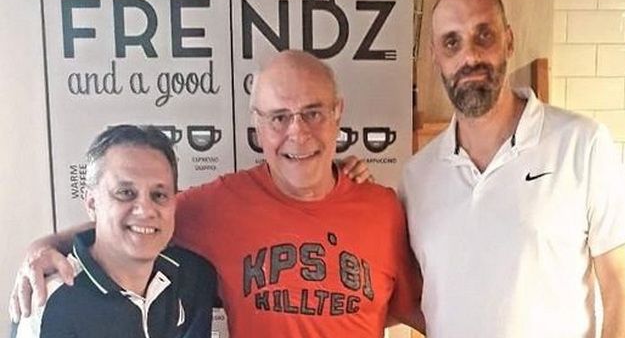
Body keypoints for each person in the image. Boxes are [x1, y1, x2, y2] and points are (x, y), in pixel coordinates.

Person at [10, 50, 424, 337]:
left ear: (337, 113)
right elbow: (140, 221)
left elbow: (409, 309)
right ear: (258, 125)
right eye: (279, 117)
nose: (298, 133)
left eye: (313, 113)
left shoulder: (383, 209)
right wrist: (45, 245)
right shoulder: (218, 206)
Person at [401, 0, 625, 338]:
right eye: (452, 42)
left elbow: (621, 292)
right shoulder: (417, 176)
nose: (470, 57)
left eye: (484, 36)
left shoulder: (582, 144)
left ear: (509, 41)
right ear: (436, 57)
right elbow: (418, 298)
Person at [15, 125, 222, 338]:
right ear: (92, 203)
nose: (145, 210)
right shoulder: (49, 302)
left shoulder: (193, 279)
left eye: (159, 195)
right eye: (125, 192)